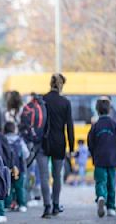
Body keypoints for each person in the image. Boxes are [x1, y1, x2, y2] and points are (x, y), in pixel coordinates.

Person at [39, 73, 75, 218]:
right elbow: (70, 127)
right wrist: (71, 148)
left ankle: (46, 206)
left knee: (44, 176)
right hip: (59, 143)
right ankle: (55, 205)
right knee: (57, 176)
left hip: (43, 142)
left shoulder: (43, 100)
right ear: (62, 85)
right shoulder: (65, 102)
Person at [88, 99, 116, 218]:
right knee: (111, 182)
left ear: (97, 110)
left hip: (99, 159)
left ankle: (100, 196)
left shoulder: (95, 126)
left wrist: (93, 154)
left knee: (100, 181)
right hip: (112, 158)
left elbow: (90, 142)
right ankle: (111, 207)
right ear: (109, 110)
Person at [4, 121, 29, 213]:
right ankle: (22, 204)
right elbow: (26, 153)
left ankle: (7, 205)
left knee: (8, 186)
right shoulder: (19, 140)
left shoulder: (3, 139)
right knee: (20, 187)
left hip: (7, 168)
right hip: (19, 168)